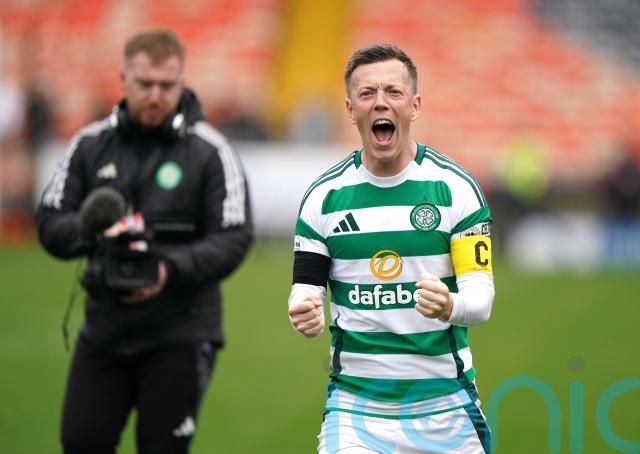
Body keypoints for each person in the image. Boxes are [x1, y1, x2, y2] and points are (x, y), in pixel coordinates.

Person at [36, 28, 253, 453]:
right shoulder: (89, 144)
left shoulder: (212, 151)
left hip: (181, 334)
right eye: (145, 84)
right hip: (103, 331)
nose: (155, 96)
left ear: (182, 82)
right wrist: (93, 233)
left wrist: (166, 269)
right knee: (81, 443)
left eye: (166, 86)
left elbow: (234, 236)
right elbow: (49, 221)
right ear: (124, 80)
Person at [288, 44, 494, 453]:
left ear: (414, 105)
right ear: (351, 110)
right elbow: (305, 290)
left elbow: (481, 300)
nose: (380, 102)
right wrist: (303, 309)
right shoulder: (323, 198)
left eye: (393, 92)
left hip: (445, 409)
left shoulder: (456, 190)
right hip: (354, 410)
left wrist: (449, 305)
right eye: (367, 93)